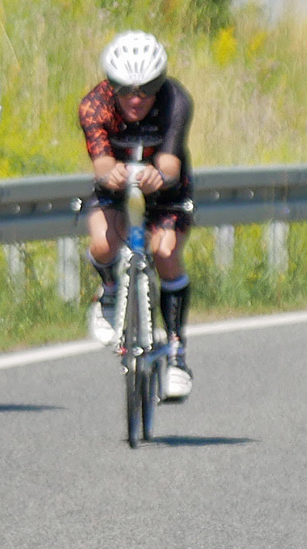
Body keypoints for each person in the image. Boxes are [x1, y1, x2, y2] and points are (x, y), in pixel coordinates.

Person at [80, 31, 196, 401]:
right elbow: (100, 160)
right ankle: (110, 293)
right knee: (103, 243)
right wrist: (109, 173)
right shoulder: (93, 105)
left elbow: (170, 160)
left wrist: (158, 176)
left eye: (145, 90)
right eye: (126, 91)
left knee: (165, 254)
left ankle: (176, 355)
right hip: (116, 177)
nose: (135, 99)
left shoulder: (176, 99)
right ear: (110, 86)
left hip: (163, 181)